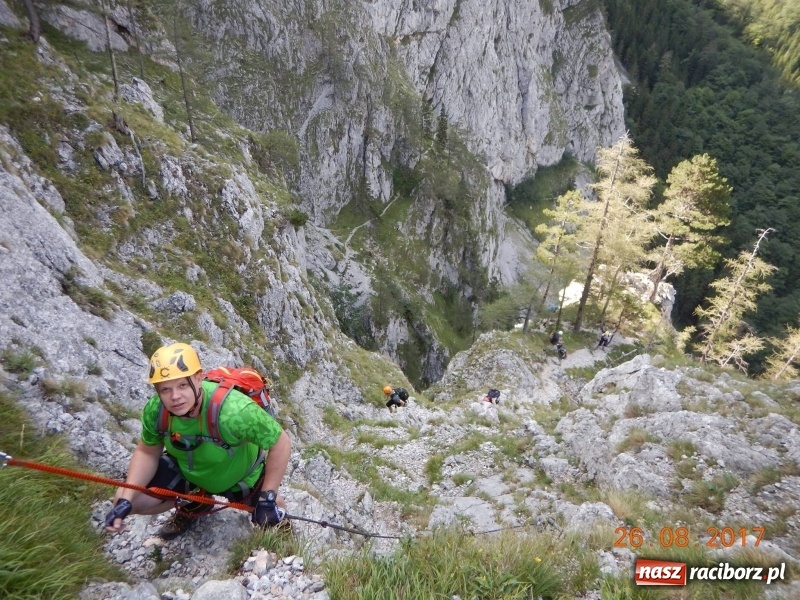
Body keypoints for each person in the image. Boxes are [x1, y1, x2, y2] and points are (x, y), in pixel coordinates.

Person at [104, 343, 291, 540]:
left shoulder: (235, 411)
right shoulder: (156, 410)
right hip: (189, 473)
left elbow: (281, 443)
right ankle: (196, 501)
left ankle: (284, 543)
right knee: (130, 501)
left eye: (182, 385)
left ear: (198, 378)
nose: (175, 397)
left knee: (274, 511)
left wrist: (267, 498)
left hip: (240, 477)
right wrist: (126, 498)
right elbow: (147, 452)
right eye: (165, 389)